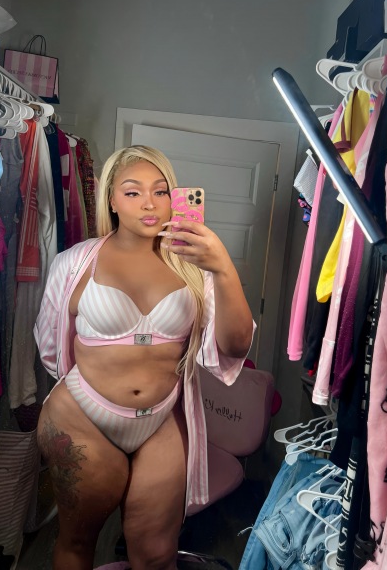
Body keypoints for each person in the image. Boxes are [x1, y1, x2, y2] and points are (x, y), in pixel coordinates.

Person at [34, 145, 255, 570]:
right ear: (112, 200)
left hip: (161, 419)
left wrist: (223, 268)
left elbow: (235, 347)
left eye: (161, 191)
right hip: (82, 417)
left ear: (175, 197)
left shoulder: (195, 266)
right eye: (133, 192)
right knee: (77, 541)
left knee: (156, 554)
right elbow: (49, 345)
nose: (150, 204)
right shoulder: (74, 263)